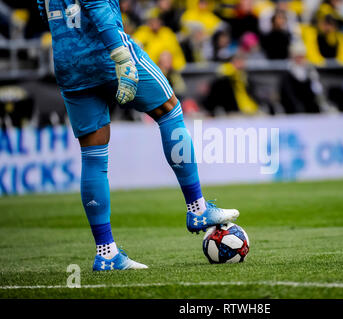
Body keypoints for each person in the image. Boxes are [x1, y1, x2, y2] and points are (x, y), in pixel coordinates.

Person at [36, 0, 239, 271]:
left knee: (93, 155)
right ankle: (197, 208)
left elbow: (44, 9)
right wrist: (121, 56)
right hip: (105, 52)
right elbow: (96, 5)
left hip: (68, 63)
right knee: (169, 109)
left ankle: (106, 253)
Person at [279, 42, 323, 114]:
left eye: (301, 56)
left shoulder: (310, 71)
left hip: (309, 106)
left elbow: (317, 90)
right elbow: (288, 93)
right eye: (297, 56)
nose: (300, 59)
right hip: (293, 107)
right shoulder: (287, 73)